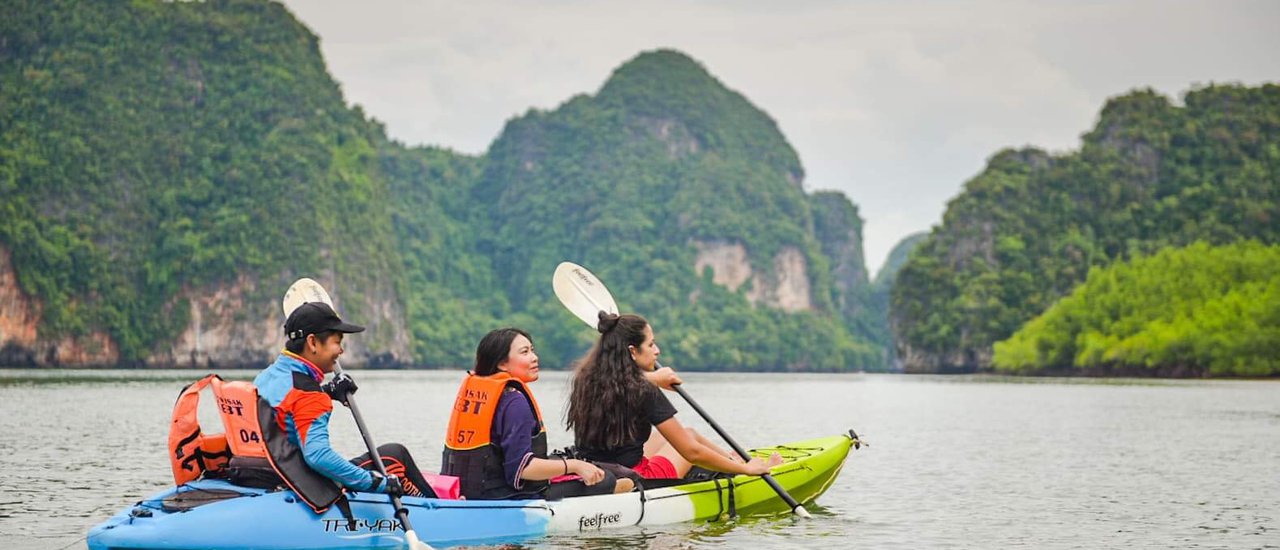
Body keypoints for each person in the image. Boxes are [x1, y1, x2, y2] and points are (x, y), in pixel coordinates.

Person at [253, 301, 435, 513]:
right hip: (301, 481)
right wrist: (376, 482)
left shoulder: (265, 377)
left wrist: (328, 391)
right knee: (395, 455)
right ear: (312, 342)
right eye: (337, 342)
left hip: (264, 471)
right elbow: (318, 456)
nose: (341, 350)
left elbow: (290, 406)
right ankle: (439, 509)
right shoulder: (309, 394)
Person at [567, 313, 779, 481]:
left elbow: (620, 384)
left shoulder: (585, 379)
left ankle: (733, 459)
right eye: (651, 344)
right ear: (632, 351)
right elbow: (692, 453)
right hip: (636, 477)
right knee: (690, 438)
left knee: (677, 435)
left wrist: (650, 378)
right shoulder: (644, 389)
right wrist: (746, 471)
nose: (657, 351)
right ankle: (742, 466)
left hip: (594, 467)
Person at [442, 328, 634, 500]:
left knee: (580, 468)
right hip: (505, 496)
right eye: (525, 352)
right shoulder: (514, 401)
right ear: (502, 363)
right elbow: (521, 469)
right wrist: (575, 465)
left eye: (532, 350)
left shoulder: (480, 394)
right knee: (605, 479)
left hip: (467, 491)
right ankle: (610, 490)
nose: (534, 357)